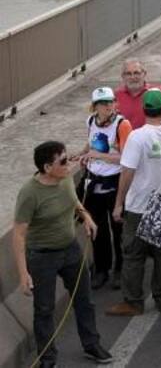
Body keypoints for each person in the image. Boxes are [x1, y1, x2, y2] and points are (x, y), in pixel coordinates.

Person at [14, 141, 114, 366]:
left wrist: (86, 216)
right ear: (47, 168)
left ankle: (91, 344)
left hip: (70, 249)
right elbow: (19, 235)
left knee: (85, 301)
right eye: (63, 161)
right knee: (44, 309)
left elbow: (74, 200)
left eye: (68, 159)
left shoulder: (66, 177)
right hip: (42, 257)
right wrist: (23, 274)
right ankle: (47, 358)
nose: (69, 164)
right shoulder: (29, 194)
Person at [107, 89, 161, 317]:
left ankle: (133, 302)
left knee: (133, 255)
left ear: (143, 110)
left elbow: (127, 173)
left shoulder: (137, 137)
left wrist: (119, 204)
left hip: (139, 206)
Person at [79, 87, 132, 291]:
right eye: (103, 103)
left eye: (110, 102)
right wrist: (83, 154)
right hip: (94, 181)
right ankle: (102, 268)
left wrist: (98, 156)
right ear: (95, 106)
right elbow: (91, 142)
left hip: (115, 180)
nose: (108, 106)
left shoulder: (122, 124)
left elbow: (127, 157)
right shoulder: (91, 121)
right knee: (96, 229)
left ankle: (120, 268)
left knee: (118, 228)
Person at [115, 59, 161, 130]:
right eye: (128, 74)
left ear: (144, 74)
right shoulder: (116, 96)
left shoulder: (158, 93)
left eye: (136, 73)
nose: (133, 77)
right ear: (123, 76)